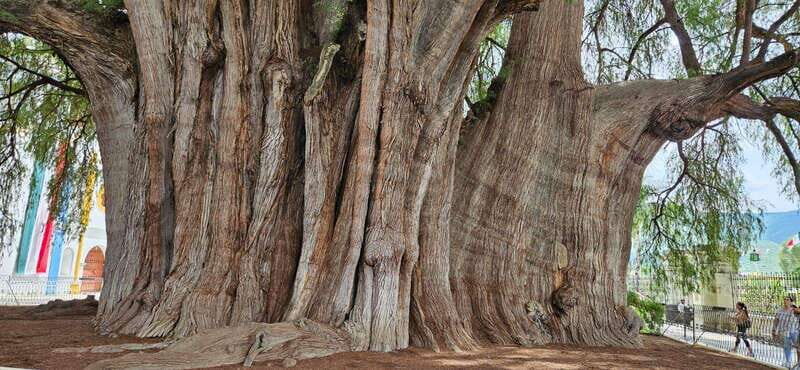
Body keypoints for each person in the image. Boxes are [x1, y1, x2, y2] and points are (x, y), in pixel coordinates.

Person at [773, 296, 800, 368]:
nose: (785, 301)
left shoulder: (794, 310)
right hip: (784, 331)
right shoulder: (780, 310)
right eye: (784, 299)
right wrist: (774, 330)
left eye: (787, 299)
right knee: (787, 347)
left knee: (798, 347)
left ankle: (798, 363)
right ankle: (788, 362)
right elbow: (776, 320)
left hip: (794, 331)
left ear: (791, 302)